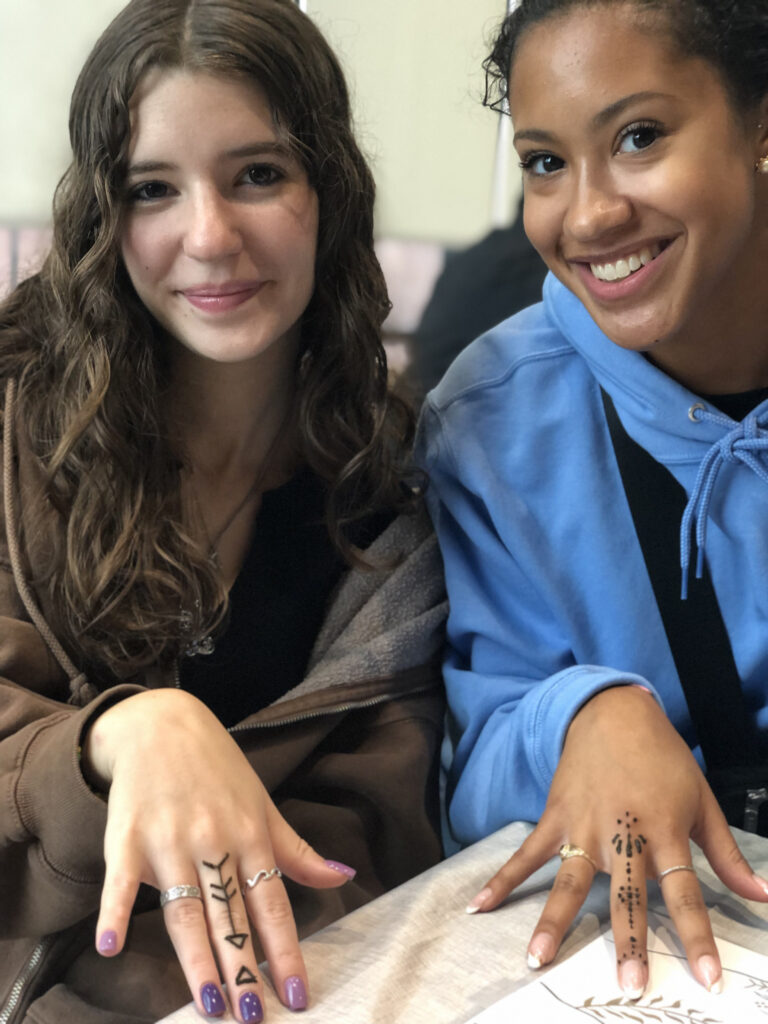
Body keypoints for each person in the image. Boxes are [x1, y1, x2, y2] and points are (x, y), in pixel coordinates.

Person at [0, 1, 447, 1021]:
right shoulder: (15, 412)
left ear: (327, 187)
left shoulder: (393, 480)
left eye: (257, 175)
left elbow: (375, 826)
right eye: (152, 189)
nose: (208, 236)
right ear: (102, 219)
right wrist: (120, 736)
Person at [416, 0, 768, 1004]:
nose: (588, 213)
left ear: (759, 125)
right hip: (664, 955)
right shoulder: (490, 424)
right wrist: (580, 716)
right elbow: (469, 784)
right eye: (544, 161)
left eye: (640, 137)